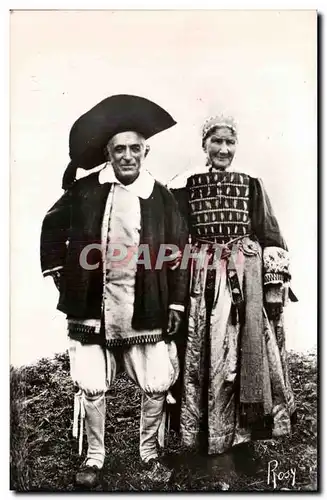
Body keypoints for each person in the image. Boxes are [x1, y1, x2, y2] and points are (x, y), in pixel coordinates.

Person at [40, 94, 188, 488]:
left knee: (157, 379)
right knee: (92, 383)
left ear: (146, 150)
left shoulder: (161, 196)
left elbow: (178, 251)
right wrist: (61, 273)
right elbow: (52, 226)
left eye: (134, 148)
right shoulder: (86, 189)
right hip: (91, 307)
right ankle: (94, 457)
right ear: (108, 152)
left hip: (147, 306)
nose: (127, 156)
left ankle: (149, 452)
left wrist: (175, 300)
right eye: (119, 149)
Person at [168, 114, 297, 463]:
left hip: (246, 279)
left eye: (230, 142)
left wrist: (273, 285)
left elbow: (270, 233)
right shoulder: (183, 184)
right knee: (206, 356)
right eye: (217, 141)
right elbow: (175, 238)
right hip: (203, 279)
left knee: (248, 353)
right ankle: (210, 443)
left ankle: (246, 439)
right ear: (204, 145)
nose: (224, 149)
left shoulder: (252, 183)